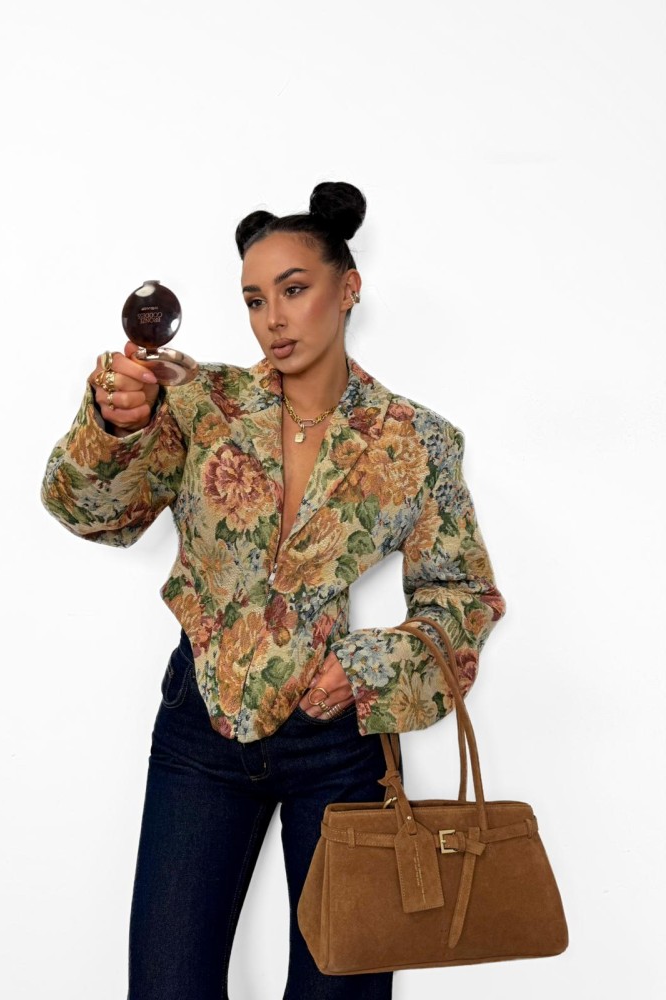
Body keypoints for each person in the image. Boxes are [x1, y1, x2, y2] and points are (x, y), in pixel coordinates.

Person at [40, 180, 506, 999]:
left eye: (294, 290)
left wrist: (365, 670)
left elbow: (463, 596)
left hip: (340, 743)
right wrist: (118, 427)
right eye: (255, 300)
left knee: (339, 988)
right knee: (167, 985)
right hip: (200, 727)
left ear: (348, 288)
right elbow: (93, 515)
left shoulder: (417, 441)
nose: (273, 319)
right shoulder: (203, 404)